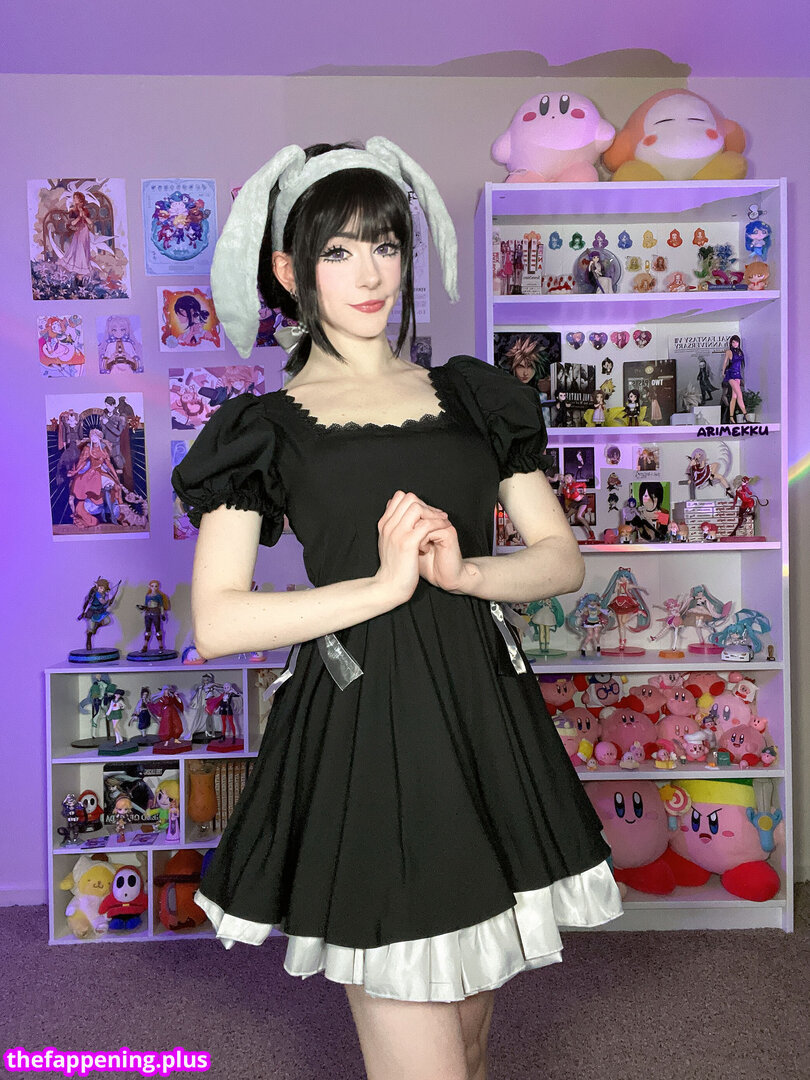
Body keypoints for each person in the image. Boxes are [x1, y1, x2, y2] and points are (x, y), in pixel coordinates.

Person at [171, 137, 622, 1080]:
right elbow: (216, 620)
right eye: (338, 251)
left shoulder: (472, 395)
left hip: (480, 716)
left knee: (470, 1039)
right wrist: (379, 588)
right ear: (289, 271)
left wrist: (467, 574)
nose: (370, 274)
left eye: (385, 245)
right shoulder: (262, 430)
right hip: (364, 726)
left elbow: (560, 560)